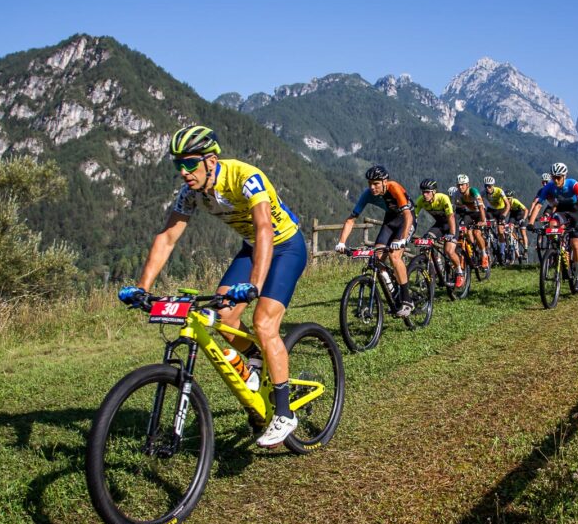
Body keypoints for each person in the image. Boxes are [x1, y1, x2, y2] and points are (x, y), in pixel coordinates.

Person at [119, 125, 307, 448]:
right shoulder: (191, 193)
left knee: (264, 323)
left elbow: (264, 228)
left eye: (190, 163)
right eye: (177, 164)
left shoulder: (245, 177)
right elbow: (167, 238)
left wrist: (253, 286)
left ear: (211, 160)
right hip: (252, 248)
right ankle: (256, 358)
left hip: (285, 246)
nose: (183, 172)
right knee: (221, 317)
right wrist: (142, 288)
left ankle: (284, 412)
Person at [334, 166, 416, 317]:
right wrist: (341, 242)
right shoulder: (367, 194)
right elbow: (351, 219)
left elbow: (408, 216)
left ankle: (407, 299)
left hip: (406, 219)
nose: (372, 187)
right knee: (377, 259)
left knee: (394, 256)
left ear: (385, 182)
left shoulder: (394, 187)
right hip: (390, 220)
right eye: (370, 183)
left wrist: (403, 239)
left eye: (376, 183)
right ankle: (394, 293)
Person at [528, 162, 578, 293]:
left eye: (559, 177)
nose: (556, 180)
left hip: (576, 212)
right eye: (553, 177)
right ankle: (556, 250)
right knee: (552, 224)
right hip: (562, 210)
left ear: (564, 176)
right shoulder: (550, 186)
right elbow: (539, 204)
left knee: (575, 243)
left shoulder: (573, 184)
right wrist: (531, 222)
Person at [415, 178, 465, 288]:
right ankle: (436, 267)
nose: (425, 195)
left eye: (427, 192)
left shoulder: (443, 198)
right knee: (425, 243)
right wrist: (408, 233)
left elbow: (451, 217)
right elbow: (414, 218)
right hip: (438, 226)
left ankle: (459, 272)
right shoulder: (421, 201)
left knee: (449, 251)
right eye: (423, 192)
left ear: (434, 192)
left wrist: (451, 234)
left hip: (451, 225)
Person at [451, 174, 490, 269]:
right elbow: (453, 210)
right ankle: (471, 250)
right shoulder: (456, 194)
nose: (460, 187)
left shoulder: (473, 191)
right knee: (463, 231)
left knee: (477, 233)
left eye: (462, 184)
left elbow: (481, 207)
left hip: (479, 213)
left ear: (467, 185)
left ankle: (484, 255)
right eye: (458, 185)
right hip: (469, 214)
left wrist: (483, 221)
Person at [482, 176, 511, 261]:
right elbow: (477, 200)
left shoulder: (499, 191)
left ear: (493, 185)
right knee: (485, 225)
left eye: (490, 186)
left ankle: (502, 252)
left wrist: (504, 215)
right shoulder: (483, 192)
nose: (488, 188)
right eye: (486, 186)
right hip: (491, 210)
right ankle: (490, 241)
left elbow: (508, 205)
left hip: (500, 210)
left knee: (500, 230)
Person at [505, 190, 530, 257]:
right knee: (509, 230)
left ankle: (526, 250)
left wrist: (523, 219)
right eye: (506, 198)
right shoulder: (505, 202)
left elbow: (526, 210)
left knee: (523, 233)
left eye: (509, 198)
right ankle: (512, 244)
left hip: (520, 215)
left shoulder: (515, 201)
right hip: (512, 216)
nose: (507, 200)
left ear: (512, 198)